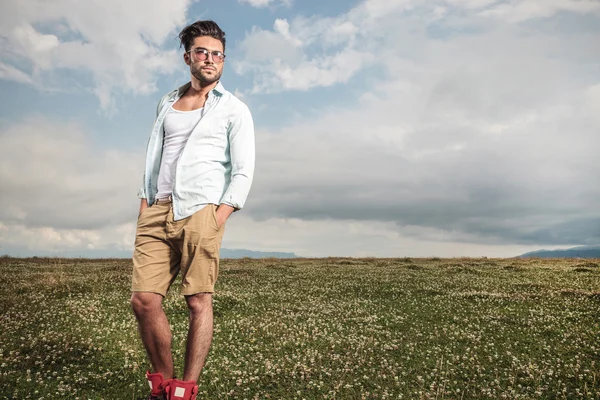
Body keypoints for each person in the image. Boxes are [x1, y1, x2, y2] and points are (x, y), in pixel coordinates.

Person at [130, 20, 255, 400]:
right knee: (144, 299)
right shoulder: (166, 102)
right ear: (188, 57)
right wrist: (143, 201)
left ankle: (186, 389)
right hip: (156, 207)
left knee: (197, 301)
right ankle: (164, 384)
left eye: (217, 54)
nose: (210, 59)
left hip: (200, 211)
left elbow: (243, 170)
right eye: (202, 52)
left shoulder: (234, 109)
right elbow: (156, 157)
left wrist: (219, 215)